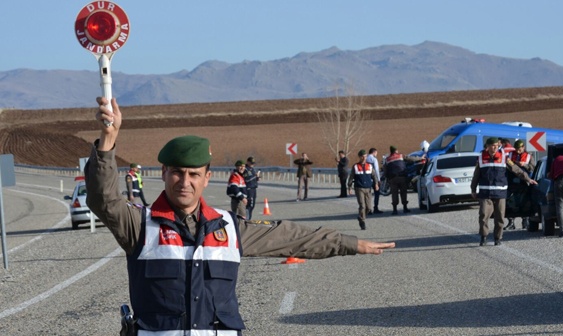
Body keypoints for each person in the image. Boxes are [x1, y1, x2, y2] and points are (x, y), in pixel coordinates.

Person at [85, 97, 395, 335]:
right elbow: (104, 199)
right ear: (164, 174)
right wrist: (108, 141)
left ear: (207, 178)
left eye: (194, 174)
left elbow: (291, 238)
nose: (185, 181)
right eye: (177, 173)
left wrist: (349, 243)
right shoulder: (140, 225)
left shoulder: (229, 227)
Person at [470, 137, 537, 246]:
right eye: (492, 145)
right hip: (485, 193)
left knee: (500, 217)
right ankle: (484, 236)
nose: (495, 147)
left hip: (500, 193)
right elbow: (476, 175)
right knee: (483, 215)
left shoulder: (504, 158)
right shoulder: (481, 158)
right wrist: (473, 189)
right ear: (487, 147)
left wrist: (528, 179)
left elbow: (516, 170)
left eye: (497, 145)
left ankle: (498, 238)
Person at [383, 145, 424, 215]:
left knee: (394, 194)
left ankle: (395, 210)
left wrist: (387, 178)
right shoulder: (401, 156)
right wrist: (420, 158)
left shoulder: (387, 159)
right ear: (396, 150)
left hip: (393, 178)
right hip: (402, 177)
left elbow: (385, 170)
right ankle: (405, 208)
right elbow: (411, 159)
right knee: (403, 192)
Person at [504, 139, 535, 230]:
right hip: (511, 182)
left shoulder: (529, 156)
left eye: (519, 149)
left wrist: (524, 165)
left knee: (524, 202)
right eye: (516, 149)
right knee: (509, 202)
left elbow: (532, 168)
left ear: (523, 147)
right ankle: (511, 222)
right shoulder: (510, 155)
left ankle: (525, 221)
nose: (518, 151)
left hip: (524, 182)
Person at [347, 149, 379, 230]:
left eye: (365, 156)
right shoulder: (355, 166)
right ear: (360, 157)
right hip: (359, 188)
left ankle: (361, 217)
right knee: (362, 206)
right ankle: (363, 222)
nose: (364, 158)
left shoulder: (370, 166)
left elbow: (374, 176)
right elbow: (351, 177)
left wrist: (376, 184)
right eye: (363, 157)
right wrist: (349, 187)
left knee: (369, 208)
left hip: (368, 188)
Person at [366, 148, 384, 214]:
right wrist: (379, 180)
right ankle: (375, 208)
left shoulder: (365, 159)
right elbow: (376, 170)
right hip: (374, 179)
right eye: (376, 153)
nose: (376, 154)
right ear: (374, 152)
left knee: (368, 195)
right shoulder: (374, 159)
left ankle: (368, 209)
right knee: (376, 194)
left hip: (367, 179)